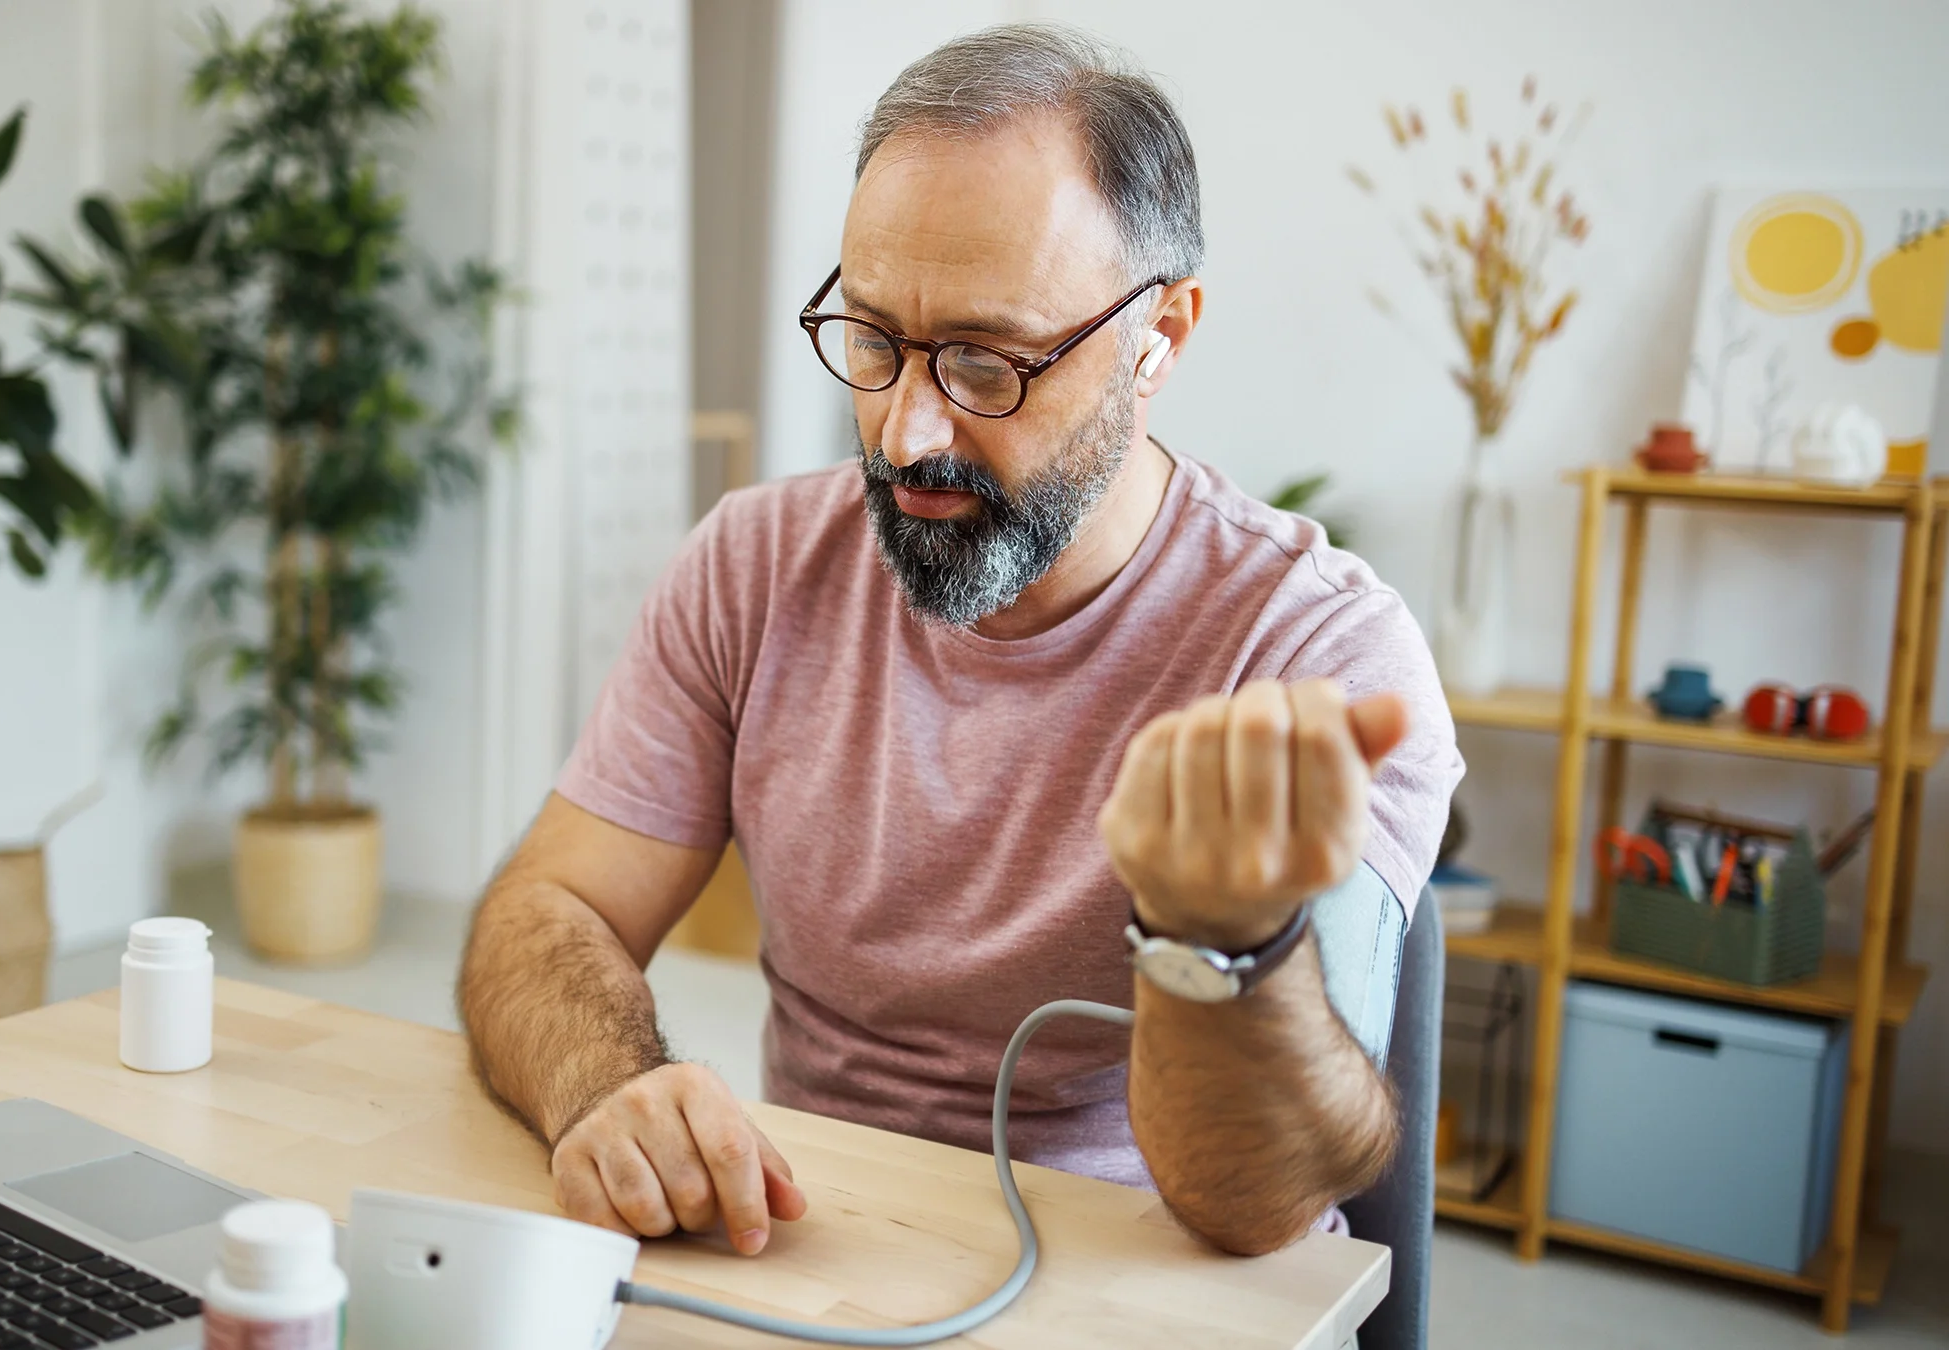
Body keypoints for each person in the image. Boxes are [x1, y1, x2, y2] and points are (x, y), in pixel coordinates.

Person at [458, 23, 1463, 1260]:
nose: (905, 433)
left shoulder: (1312, 652)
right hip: (811, 1244)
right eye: (874, 342)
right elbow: (547, 904)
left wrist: (1218, 941)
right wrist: (605, 1091)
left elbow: (1254, 1205)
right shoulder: (755, 564)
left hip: (1137, 1275)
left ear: (1162, 338)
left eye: (988, 363)